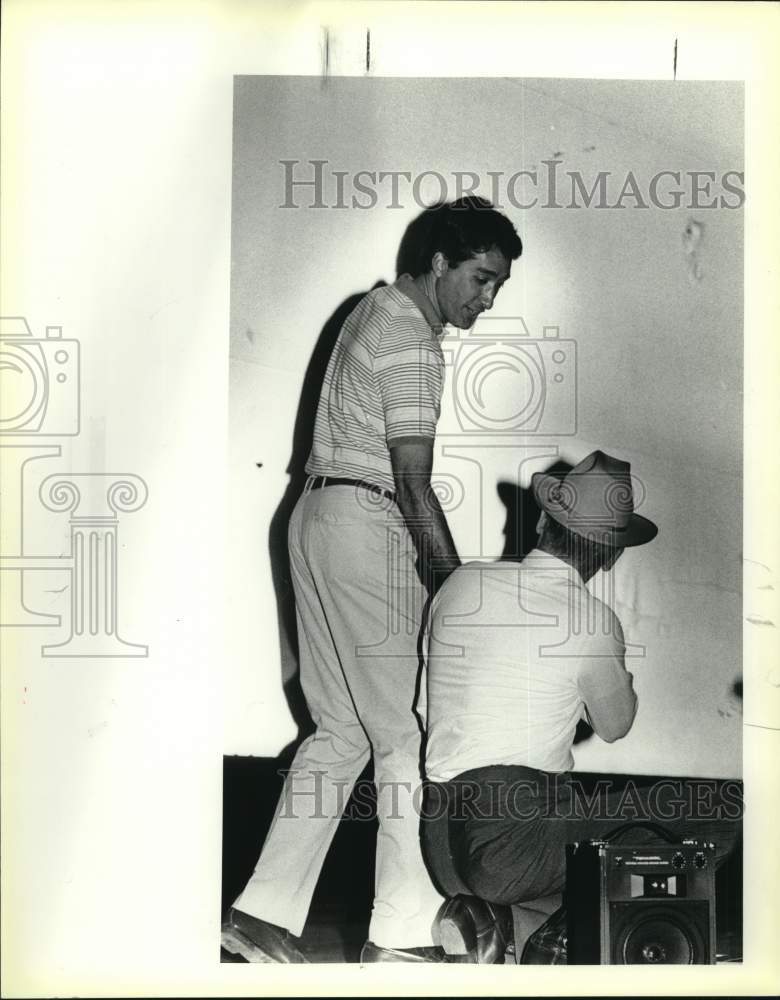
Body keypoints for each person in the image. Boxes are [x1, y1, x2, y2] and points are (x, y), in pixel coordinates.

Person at [221, 197, 523, 963]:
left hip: (312, 520)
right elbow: (415, 484)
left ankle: (262, 913)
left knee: (341, 732)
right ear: (439, 263)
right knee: (406, 736)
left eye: (498, 287)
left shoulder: (369, 310)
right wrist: (460, 598)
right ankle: (399, 934)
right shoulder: (412, 336)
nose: (486, 301)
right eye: (481, 279)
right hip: (363, 525)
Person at [419, 451, 741, 952]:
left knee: (578, 826)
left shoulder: (461, 584)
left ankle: (501, 925)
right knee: (717, 812)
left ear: (544, 520)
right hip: (512, 846)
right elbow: (614, 725)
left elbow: (424, 709)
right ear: (612, 553)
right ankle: (571, 940)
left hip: (439, 846)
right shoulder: (592, 620)